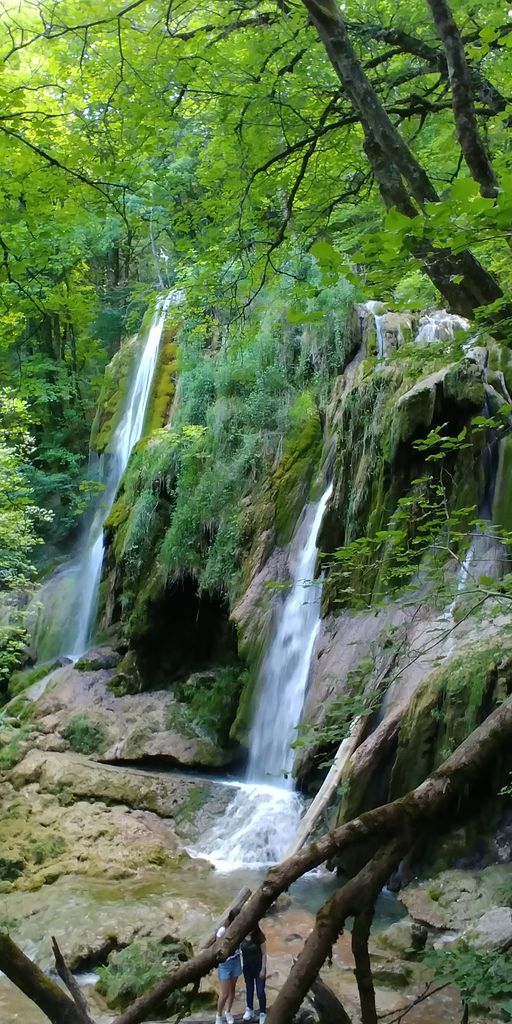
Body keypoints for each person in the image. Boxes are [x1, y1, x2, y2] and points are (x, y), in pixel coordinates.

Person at [215, 908, 242, 1024]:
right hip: (225, 964)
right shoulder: (222, 931)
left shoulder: (241, 928)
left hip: (236, 960)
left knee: (232, 990)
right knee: (224, 992)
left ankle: (228, 1012)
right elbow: (217, 948)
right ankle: (218, 1015)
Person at [241, 926, 267, 1024]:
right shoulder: (241, 935)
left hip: (259, 967)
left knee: (260, 991)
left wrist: (263, 969)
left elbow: (264, 954)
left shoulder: (259, 937)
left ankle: (262, 1013)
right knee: (249, 989)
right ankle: (249, 1010)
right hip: (247, 967)